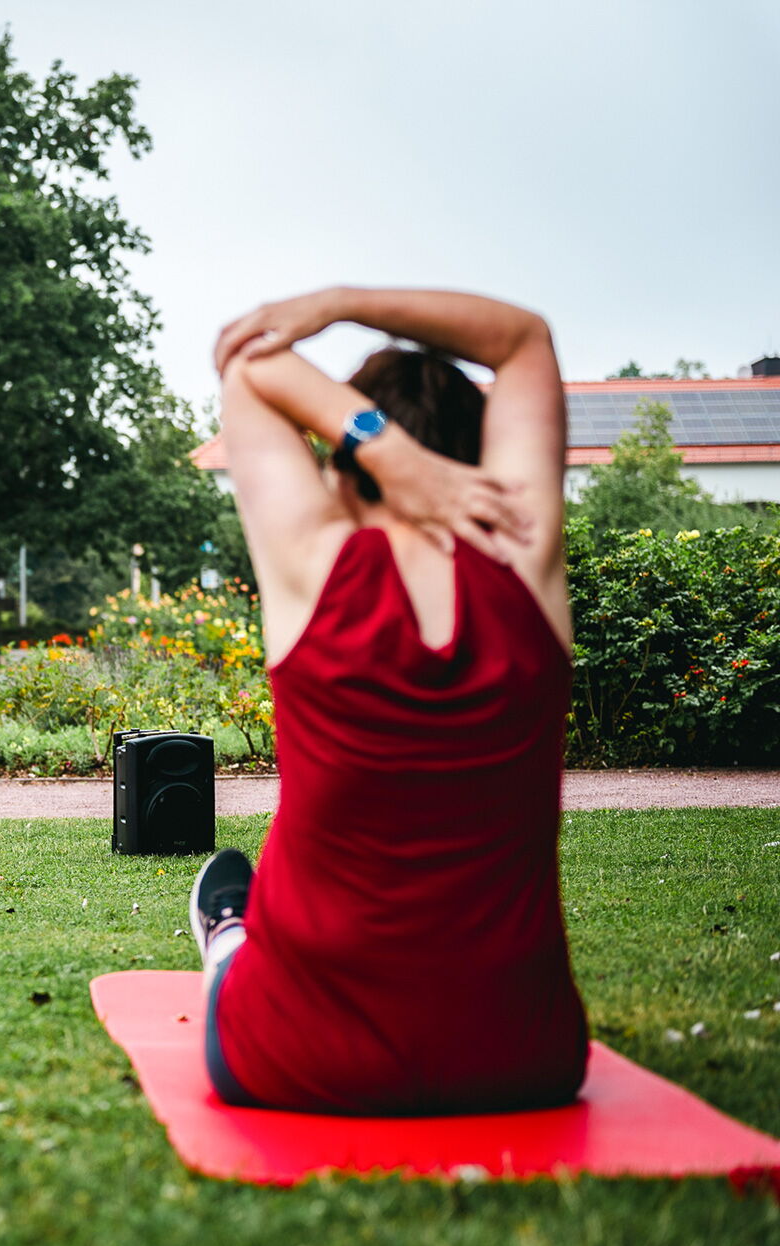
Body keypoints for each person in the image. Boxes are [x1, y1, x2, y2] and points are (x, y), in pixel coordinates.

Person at [189, 287, 589, 1116]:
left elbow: (246, 363)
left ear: (343, 469)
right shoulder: (524, 551)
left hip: (295, 1056)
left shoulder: (313, 561)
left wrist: (381, 445)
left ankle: (228, 931)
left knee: (234, 953)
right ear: (475, 457)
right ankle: (234, 927)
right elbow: (524, 339)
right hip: (522, 1059)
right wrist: (347, 304)